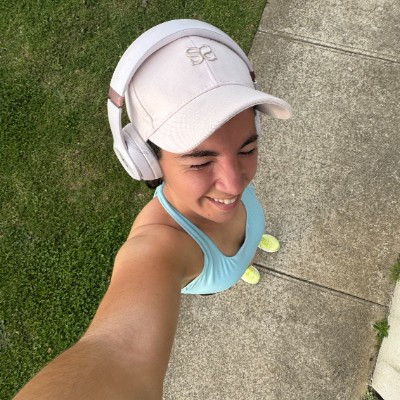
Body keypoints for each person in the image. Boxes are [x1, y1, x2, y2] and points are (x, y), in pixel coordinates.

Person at [13, 19, 291, 399]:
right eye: (200, 161)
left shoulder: (223, 185)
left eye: (248, 149)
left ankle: (246, 257)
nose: (234, 183)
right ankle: (239, 266)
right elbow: (119, 352)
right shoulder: (159, 246)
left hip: (241, 238)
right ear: (146, 161)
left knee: (246, 239)